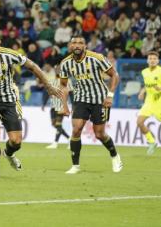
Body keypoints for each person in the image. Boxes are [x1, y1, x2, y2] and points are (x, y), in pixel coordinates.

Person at [0, 28, 63, 181]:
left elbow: (33, 66)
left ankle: (9, 153)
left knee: (16, 141)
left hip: (9, 100)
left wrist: (48, 85)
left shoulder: (9, 55)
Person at [60, 35, 123, 174]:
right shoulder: (65, 63)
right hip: (80, 99)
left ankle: (115, 155)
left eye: (80, 43)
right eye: (74, 43)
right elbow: (63, 86)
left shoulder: (97, 58)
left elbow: (115, 75)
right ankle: (75, 166)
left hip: (100, 99)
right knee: (76, 129)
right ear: (70, 46)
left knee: (99, 134)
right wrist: (64, 105)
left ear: (85, 46)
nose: (77, 45)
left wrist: (110, 96)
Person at [137, 51, 161, 155]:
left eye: (154, 59)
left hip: (159, 101)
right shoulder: (144, 72)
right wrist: (142, 92)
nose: (152, 60)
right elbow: (147, 85)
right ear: (147, 60)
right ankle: (151, 142)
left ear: (158, 61)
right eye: (150, 58)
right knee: (139, 122)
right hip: (149, 101)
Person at [42, 66, 71, 149]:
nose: (57, 71)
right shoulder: (52, 81)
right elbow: (48, 92)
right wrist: (44, 104)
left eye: (59, 70)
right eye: (56, 70)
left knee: (58, 124)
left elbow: (70, 93)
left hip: (61, 105)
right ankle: (68, 139)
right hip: (53, 105)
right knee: (54, 124)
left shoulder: (66, 82)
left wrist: (72, 105)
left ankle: (56, 142)